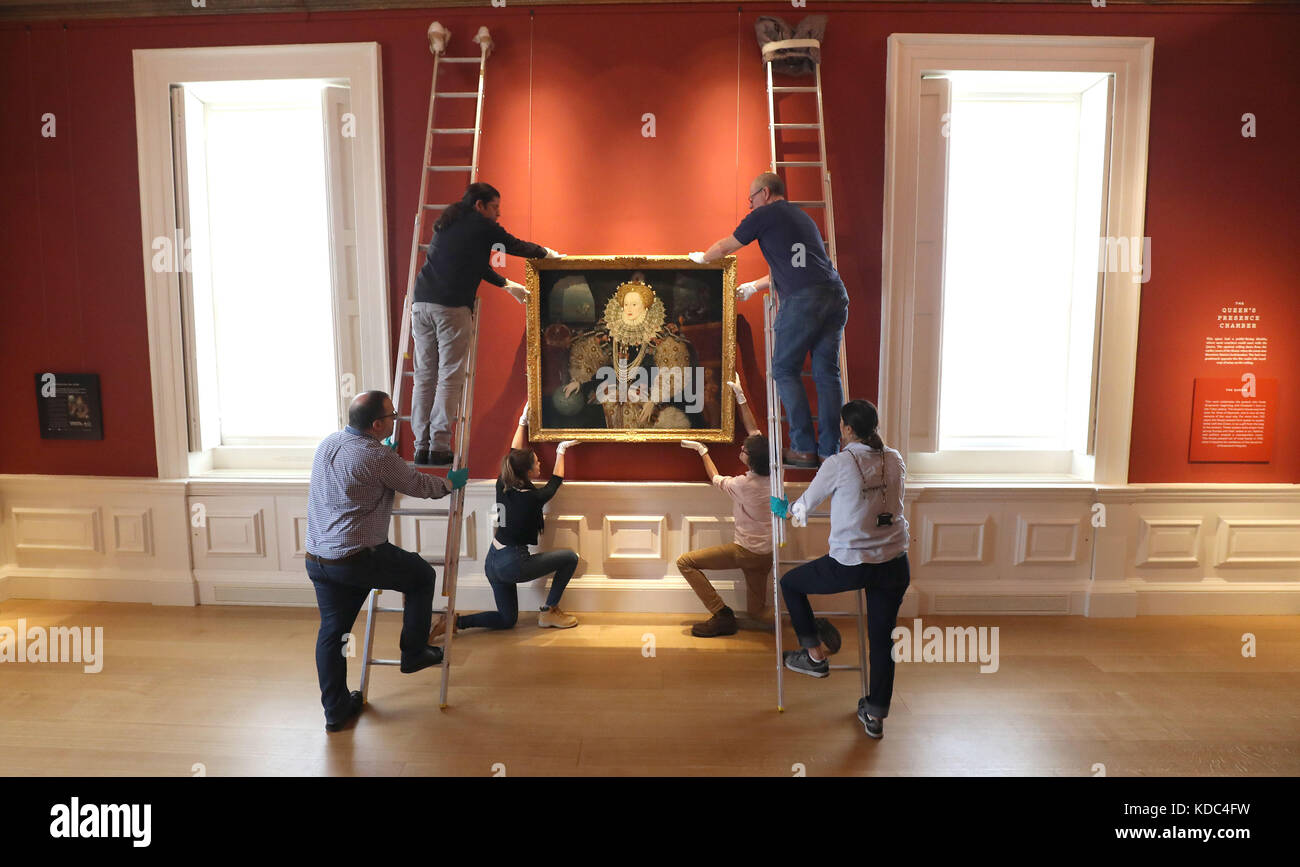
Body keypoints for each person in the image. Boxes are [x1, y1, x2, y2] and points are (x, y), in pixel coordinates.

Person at [304, 390, 469, 733]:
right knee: (422, 576)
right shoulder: (378, 457)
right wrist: (450, 484)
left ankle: (335, 713)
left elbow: (359, 475)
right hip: (356, 557)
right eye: (392, 417)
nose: (396, 421)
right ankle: (413, 653)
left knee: (332, 636)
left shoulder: (329, 442)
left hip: (319, 557)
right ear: (377, 424)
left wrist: (385, 457)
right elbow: (418, 485)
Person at [770, 399, 910, 740]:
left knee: (790, 583)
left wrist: (783, 509)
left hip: (852, 565)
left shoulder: (839, 463)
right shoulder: (894, 458)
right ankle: (875, 716)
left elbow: (801, 510)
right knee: (882, 641)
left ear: (847, 428)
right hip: (894, 564)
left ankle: (815, 657)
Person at [690, 172, 849, 467]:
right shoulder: (802, 219)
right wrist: (755, 285)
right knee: (827, 374)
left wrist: (702, 258)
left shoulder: (765, 214)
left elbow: (726, 246)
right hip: (834, 295)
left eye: (750, 199)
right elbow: (798, 267)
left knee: (784, 369)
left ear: (764, 193)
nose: (749, 206)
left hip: (803, 300)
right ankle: (829, 449)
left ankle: (803, 447)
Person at [411, 182, 563, 466]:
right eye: (494, 207)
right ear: (479, 205)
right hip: (451, 308)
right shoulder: (481, 226)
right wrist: (547, 254)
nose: (498, 215)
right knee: (449, 376)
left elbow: (476, 265)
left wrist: (506, 284)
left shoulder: (448, 222)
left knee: (424, 376)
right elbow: (513, 245)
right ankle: (439, 446)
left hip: (421, 305)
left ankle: (421, 446)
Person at [430, 403, 581, 637]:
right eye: (537, 462)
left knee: (507, 619)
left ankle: (453, 623)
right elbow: (555, 482)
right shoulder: (531, 498)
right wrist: (561, 450)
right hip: (513, 563)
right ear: (528, 472)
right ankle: (549, 610)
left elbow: (513, 453)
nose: (540, 462)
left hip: (493, 561)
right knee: (570, 558)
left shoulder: (504, 484)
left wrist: (523, 422)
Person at [676, 374, 774, 636]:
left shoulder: (744, 485)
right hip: (767, 553)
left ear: (750, 460)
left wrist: (702, 451)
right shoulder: (776, 471)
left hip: (747, 551)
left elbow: (715, 478)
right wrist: (741, 398)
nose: (740, 449)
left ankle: (721, 614)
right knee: (757, 612)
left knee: (686, 562)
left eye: (743, 450)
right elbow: (755, 432)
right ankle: (803, 623)